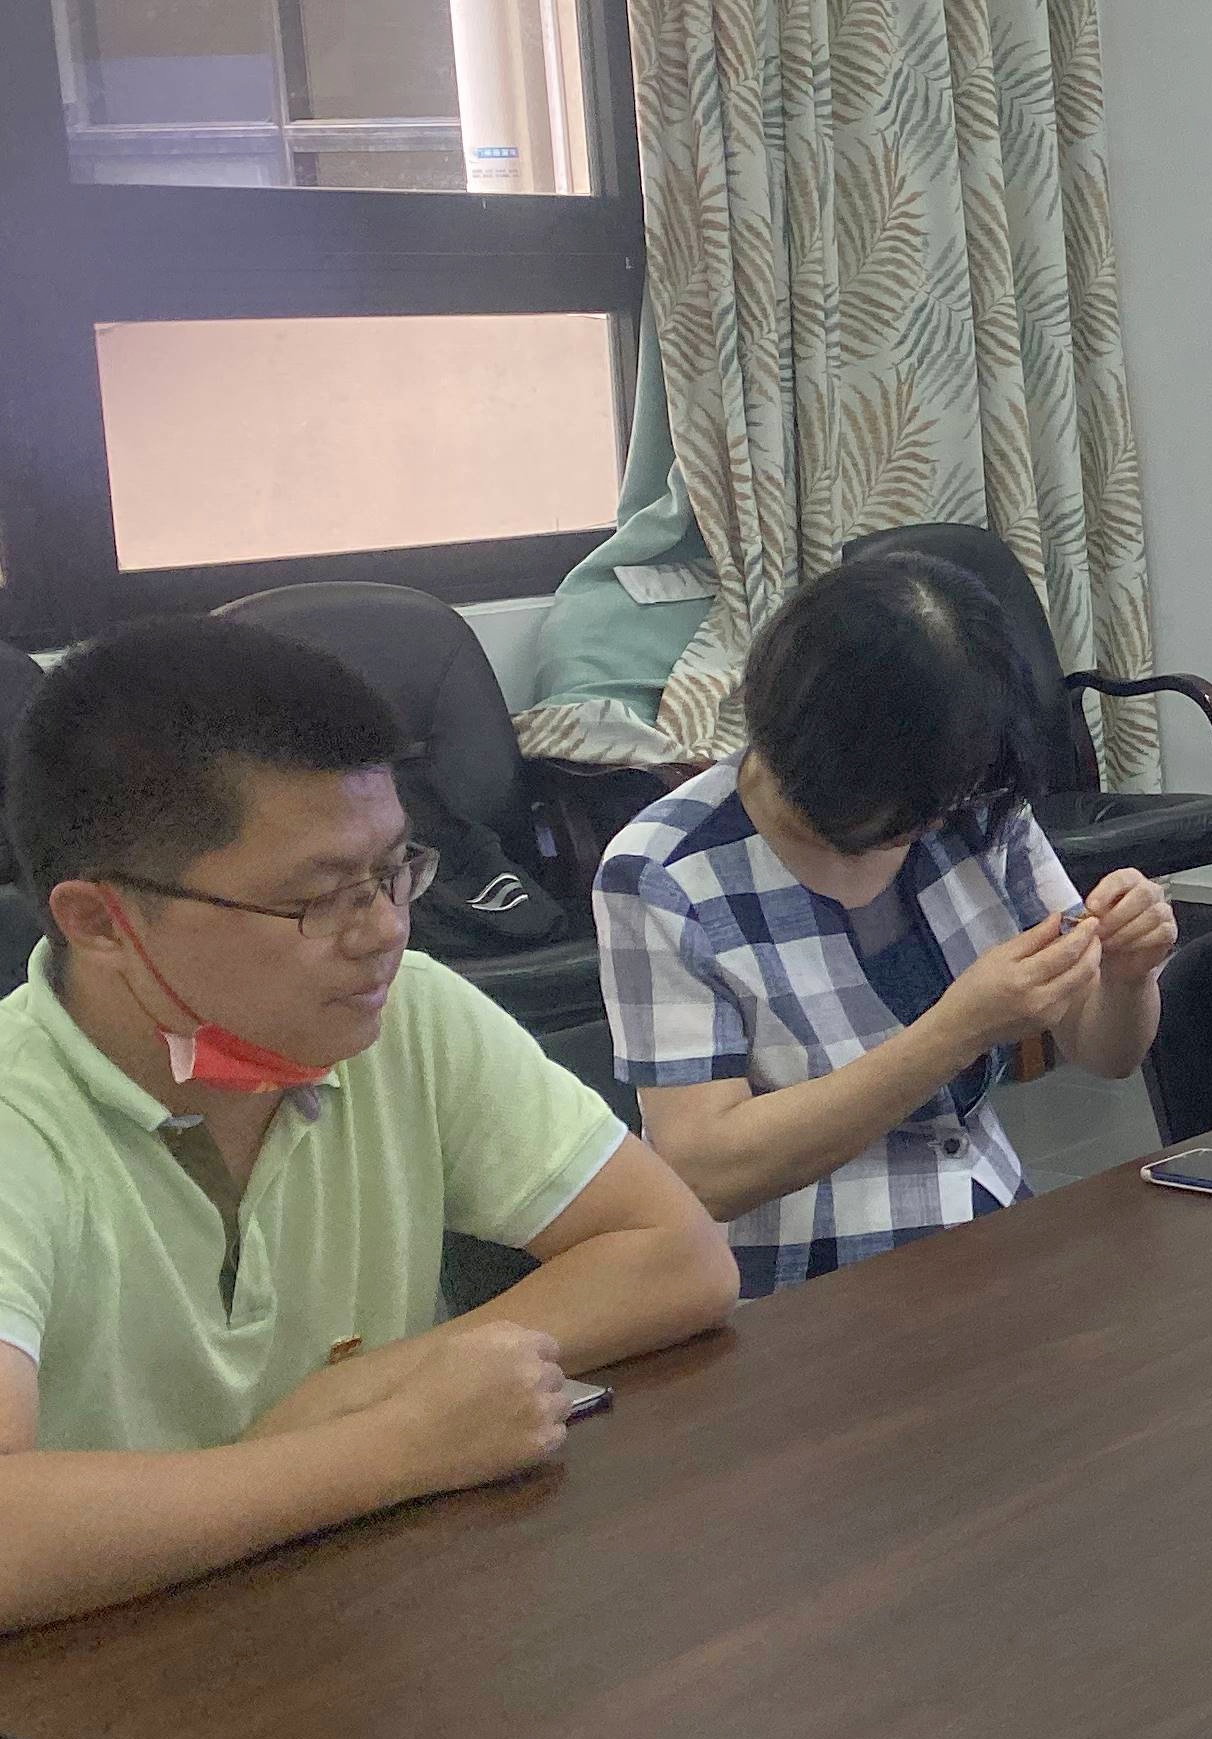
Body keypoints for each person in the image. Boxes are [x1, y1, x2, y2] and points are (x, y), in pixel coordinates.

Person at [0, 619, 736, 1633]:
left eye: (393, 871)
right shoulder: (18, 1116)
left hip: (373, 1620)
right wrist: (392, 1443)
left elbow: (678, 1253)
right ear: (100, 922)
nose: (385, 929)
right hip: (111, 1654)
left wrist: (375, 1385)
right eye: (319, 898)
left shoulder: (405, 1012)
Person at [597, 555, 1178, 1297]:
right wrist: (956, 1030)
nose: (937, 824)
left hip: (992, 1240)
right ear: (834, 760)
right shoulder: (662, 873)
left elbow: (1106, 1052)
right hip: (804, 1291)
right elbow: (706, 1169)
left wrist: (1129, 975)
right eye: (914, 806)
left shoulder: (968, 803)